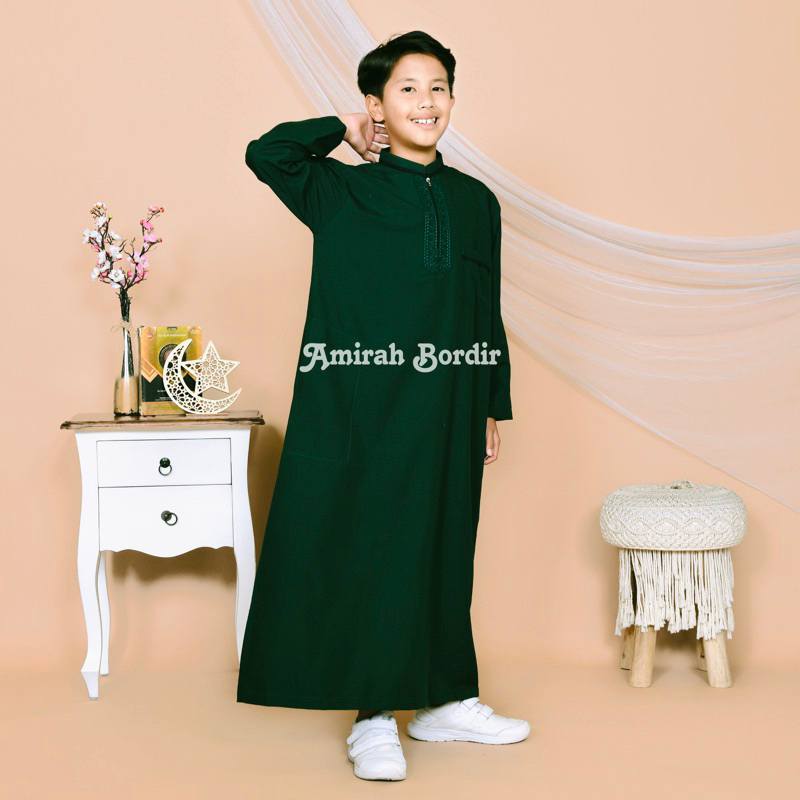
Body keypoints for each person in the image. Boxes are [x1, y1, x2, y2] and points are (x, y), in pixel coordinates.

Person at [236, 30, 530, 781]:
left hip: (451, 402)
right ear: (378, 105)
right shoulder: (339, 191)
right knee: (373, 546)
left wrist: (490, 403)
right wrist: (342, 129)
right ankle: (372, 715)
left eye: (438, 88)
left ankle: (445, 700)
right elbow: (267, 153)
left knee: (446, 543)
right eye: (407, 89)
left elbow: (485, 309)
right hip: (362, 406)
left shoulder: (476, 203)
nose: (426, 102)